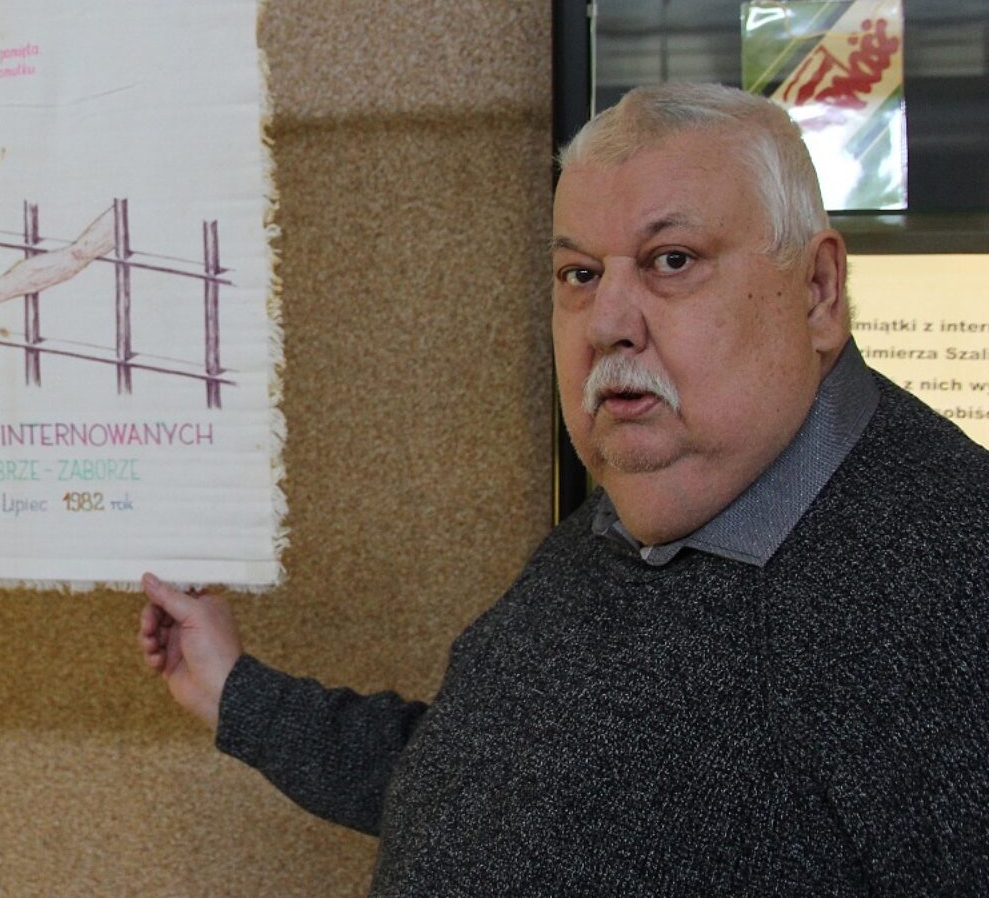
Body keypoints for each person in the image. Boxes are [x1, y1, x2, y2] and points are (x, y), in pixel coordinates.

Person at [137, 82, 989, 895]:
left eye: (672, 261)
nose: (608, 323)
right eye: (580, 274)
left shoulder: (951, 585)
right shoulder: (631, 514)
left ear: (818, 291)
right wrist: (237, 693)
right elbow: (484, 783)